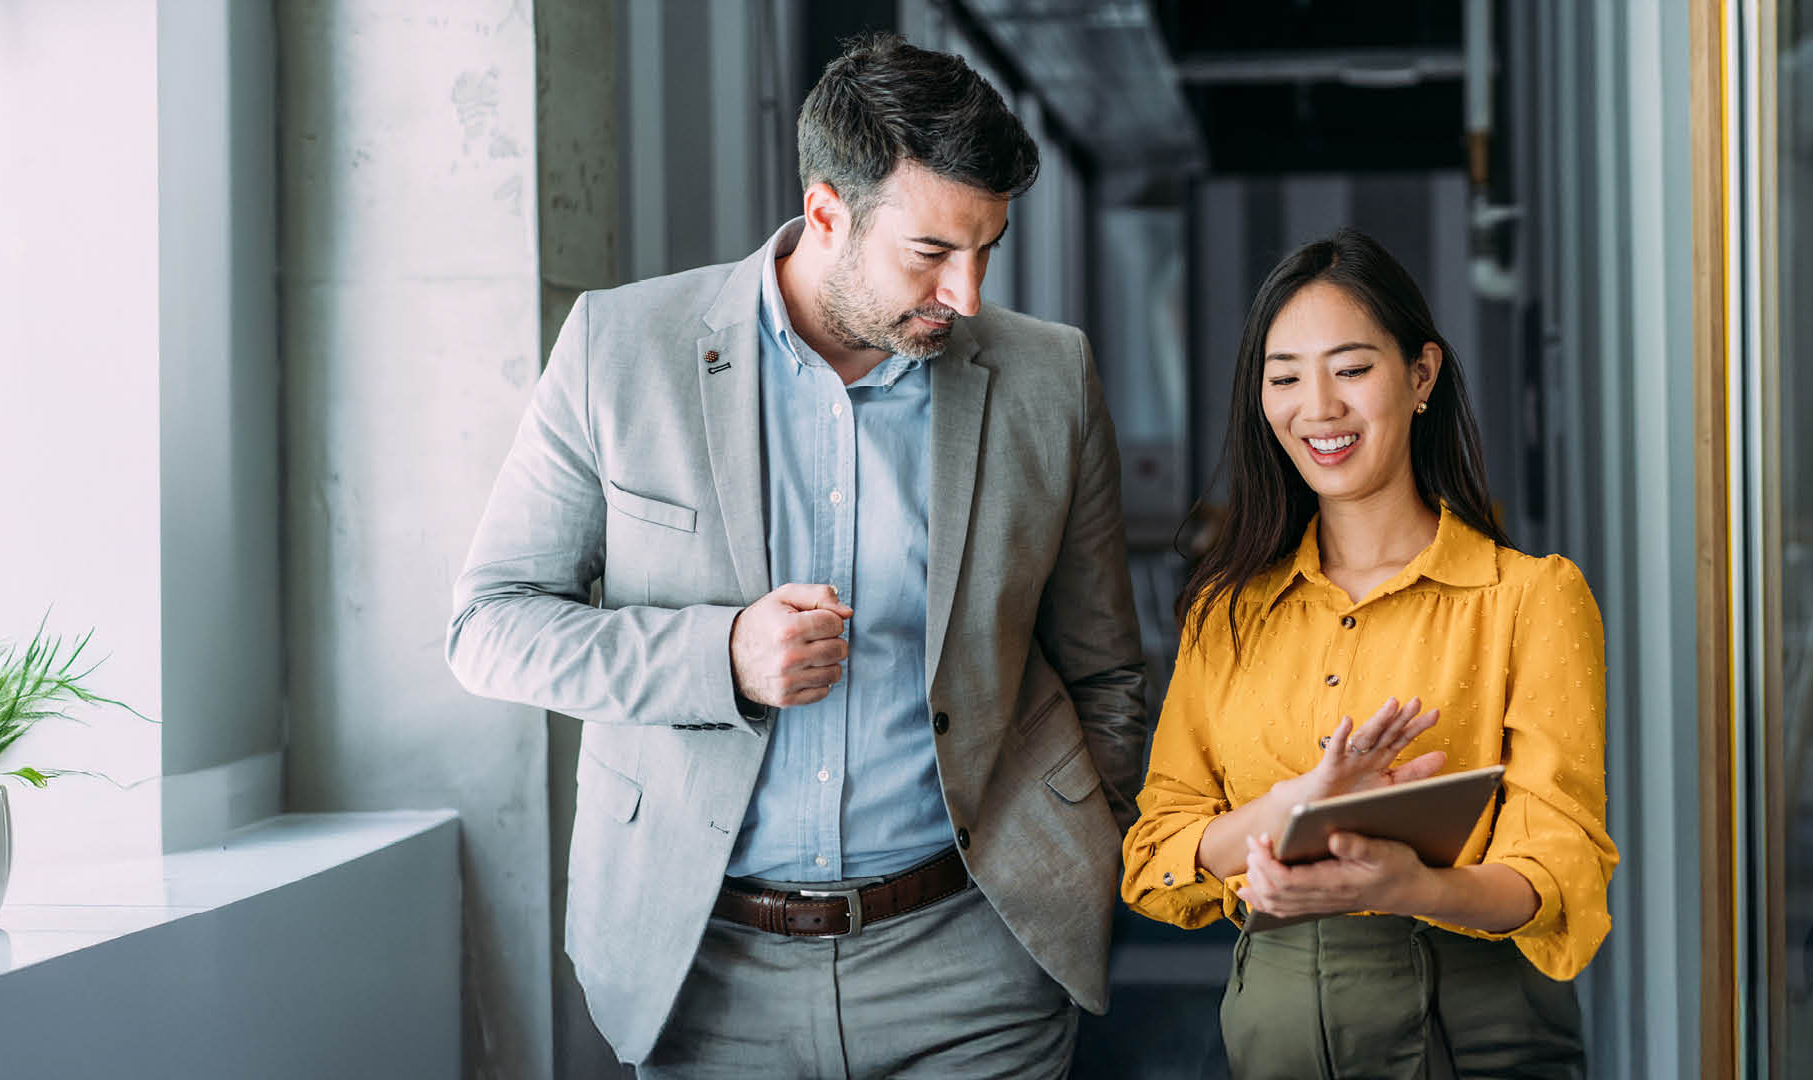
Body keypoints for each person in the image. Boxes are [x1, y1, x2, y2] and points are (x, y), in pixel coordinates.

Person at [447, 32, 1146, 1078]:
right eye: (931, 253)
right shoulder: (619, 350)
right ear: (827, 211)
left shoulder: (1048, 376)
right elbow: (489, 626)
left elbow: (1104, 670)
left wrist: (1086, 849)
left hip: (978, 962)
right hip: (708, 971)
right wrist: (718, 657)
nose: (965, 293)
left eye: (986, 249)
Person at [1120, 228, 1618, 1077]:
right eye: (1284, 378)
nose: (1317, 407)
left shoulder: (1528, 597)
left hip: (1473, 1021)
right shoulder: (1226, 611)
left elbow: (1559, 867)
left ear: (1419, 375)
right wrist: (1290, 808)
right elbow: (1155, 855)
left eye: (1350, 369)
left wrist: (1404, 886)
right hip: (1273, 1026)